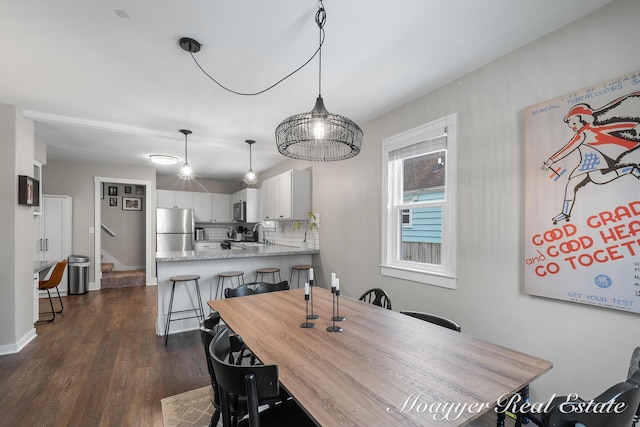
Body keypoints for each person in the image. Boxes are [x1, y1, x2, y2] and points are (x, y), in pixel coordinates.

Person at [541, 93, 640, 224]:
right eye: (571, 125)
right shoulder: (589, 130)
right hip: (589, 161)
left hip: (596, 160)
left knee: (594, 180)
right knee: (575, 184)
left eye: (574, 123)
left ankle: (631, 169)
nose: (573, 127)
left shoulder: (583, 133)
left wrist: (551, 161)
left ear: (583, 119)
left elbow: (569, 148)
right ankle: (565, 213)